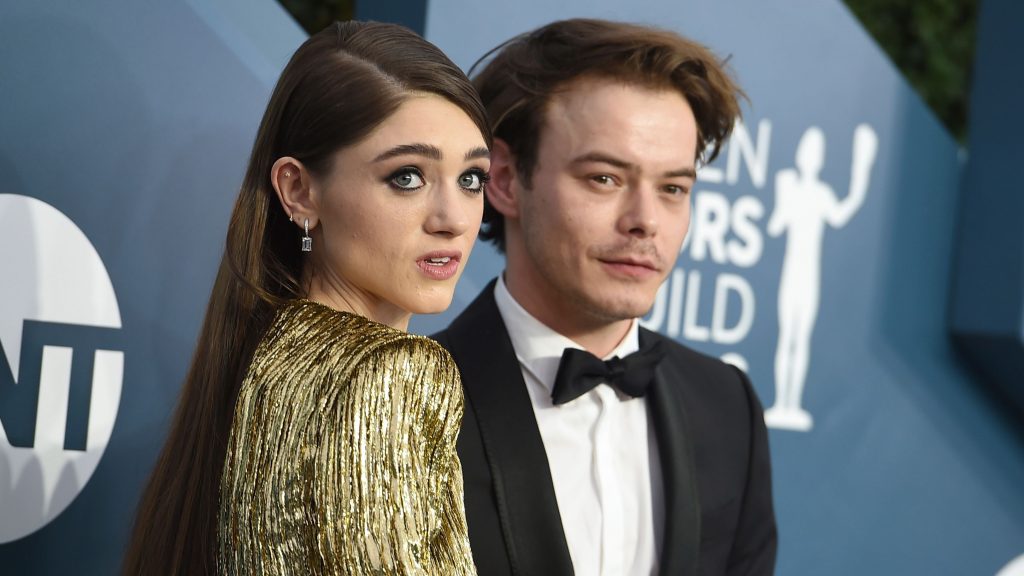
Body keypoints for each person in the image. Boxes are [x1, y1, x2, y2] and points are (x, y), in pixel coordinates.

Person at [123, 21, 490, 575]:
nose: (453, 219)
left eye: (471, 178)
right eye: (408, 177)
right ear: (298, 190)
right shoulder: (394, 371)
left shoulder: (260, 353)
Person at [432, 18, 777, 575]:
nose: (645, 221)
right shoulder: (410, 403)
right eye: (604, 179)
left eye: (672, 188)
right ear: (504, 179)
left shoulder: (726, 406)